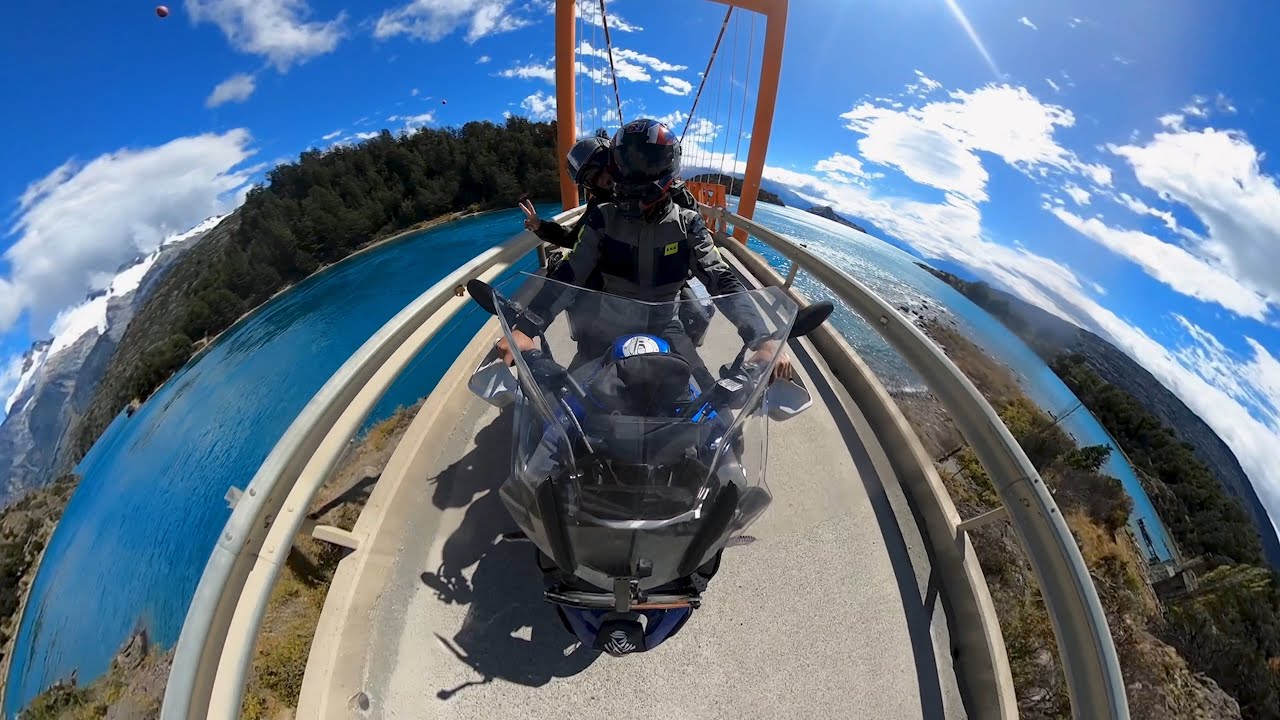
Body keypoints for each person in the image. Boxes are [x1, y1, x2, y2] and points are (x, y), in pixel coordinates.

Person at [498, 118, 792, 391]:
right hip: (607, 328)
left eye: (647, 164)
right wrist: (526, 328)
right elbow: (570, 272)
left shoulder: (688, 223)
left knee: (713, 406)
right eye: (628, 163)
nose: (636, 174)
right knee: (563, 409)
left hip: (666, 325)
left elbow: (721, 278)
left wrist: (763, 339)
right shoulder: (602, 218)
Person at [521, 132, 713, 345]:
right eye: (591, 180)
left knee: (692, 330)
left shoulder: (668, 191)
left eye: (601, 170)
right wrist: (541, 227)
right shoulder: (601, 210)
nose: (603, 181)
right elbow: (576, 244)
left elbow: (697, 236)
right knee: (589, 338)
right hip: (620, 284)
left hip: (663, 283)